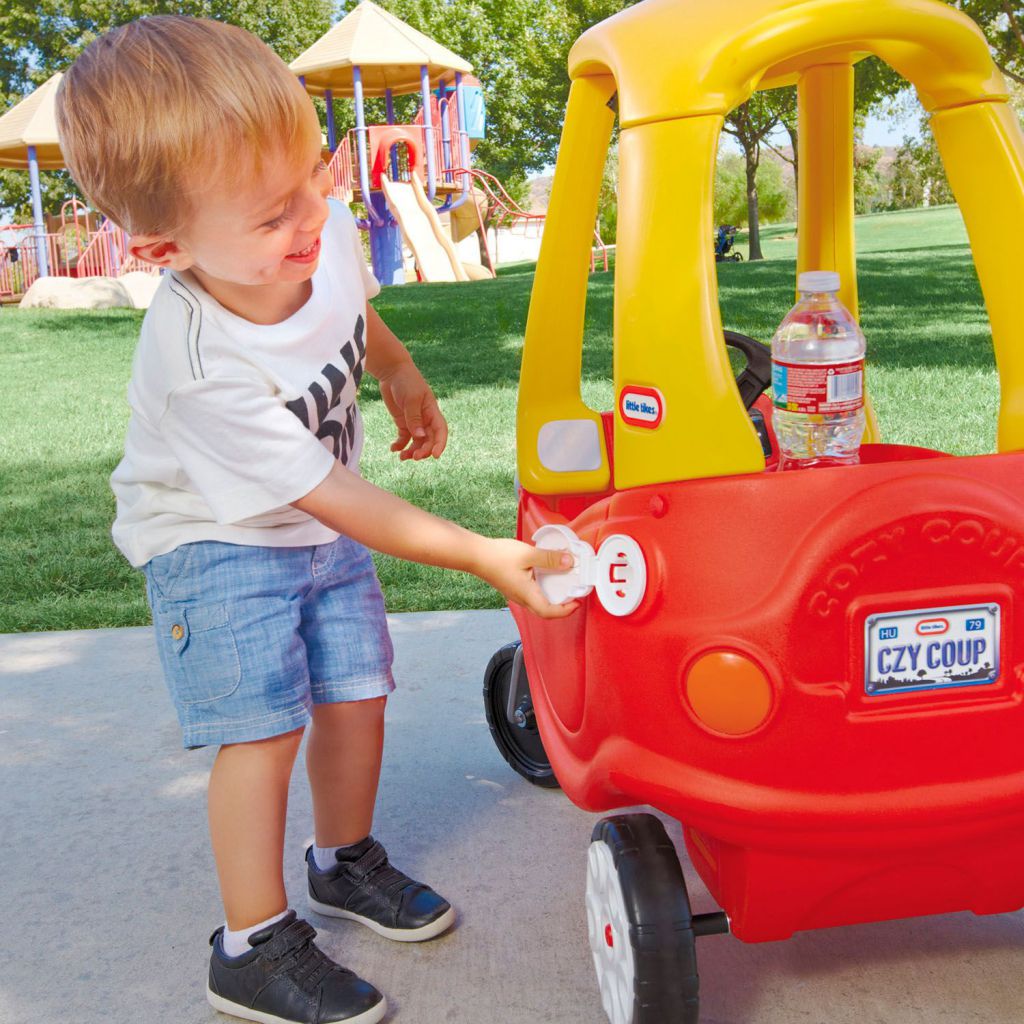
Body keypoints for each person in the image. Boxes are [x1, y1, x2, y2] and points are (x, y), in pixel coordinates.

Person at [55, 16, 576, 1024]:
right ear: (165, 249)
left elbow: (348, 301)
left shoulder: (316, 230)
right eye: (270, 214)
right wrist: (478, 554)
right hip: (214, 541)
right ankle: (250, 945)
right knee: (264, 729)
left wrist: (397, 366)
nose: (311, 216)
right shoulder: (198, 363)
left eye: (310, 176)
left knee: (356, 692)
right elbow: (337, 496)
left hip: (310, 526)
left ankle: (343, 861)